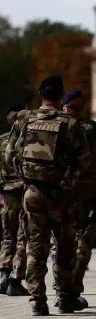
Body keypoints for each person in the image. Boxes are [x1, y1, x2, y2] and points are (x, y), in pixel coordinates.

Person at [5, 75, 90, 315]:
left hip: (32, 192)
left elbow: (10, 155)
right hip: (61, 194)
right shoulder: (71, 123)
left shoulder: (23, 118)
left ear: (40, 94)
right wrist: (67, 182)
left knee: (35, 246)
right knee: (63, 247)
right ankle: (64, 298)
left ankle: (37, 302)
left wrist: (27, 176)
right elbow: (84, 160)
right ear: (61, 95)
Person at [53, 89, 96, 309]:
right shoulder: (94, 131)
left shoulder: (53, 127)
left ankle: (57, 292)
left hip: (56, 193)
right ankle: (72, 291)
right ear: (82, 107)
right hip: (87, 196)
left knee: (57, 243)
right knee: (83, 242)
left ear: (64, 107)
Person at [0, 105, 29, 297]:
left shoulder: (1, 140)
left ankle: (3, 273)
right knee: (23, 235)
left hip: (8, 194)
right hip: (26, 191)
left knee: (8, 235)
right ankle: (15, 280)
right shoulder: (29, 138)